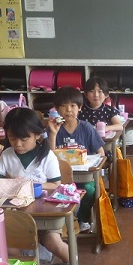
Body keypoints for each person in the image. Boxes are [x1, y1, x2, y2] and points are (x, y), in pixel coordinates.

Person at [0, 107, 71, 265]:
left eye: (24, 139)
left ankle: (71, 264)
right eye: (12, 138)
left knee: (52, 241)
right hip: (17, 213)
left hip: (45, 212)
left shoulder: (47, 156)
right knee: (9, 244)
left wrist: (28, 184)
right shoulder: (7, 155)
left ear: (37, 135)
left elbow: (56, 185)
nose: (17, 144)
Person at [49, 86, 105, 232]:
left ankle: (82, 218)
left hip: (84, 176)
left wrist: (97, 169)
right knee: (53, 191)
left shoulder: (86, 127)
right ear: (56, 109)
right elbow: (49, 158)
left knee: (90, 190)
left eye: (73, 105)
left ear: (79, 107)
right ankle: (63, 222)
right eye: (63, 106)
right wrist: (53, 134)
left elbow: (101, 153)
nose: (68, 110)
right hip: (61, 178)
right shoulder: (54, 129)